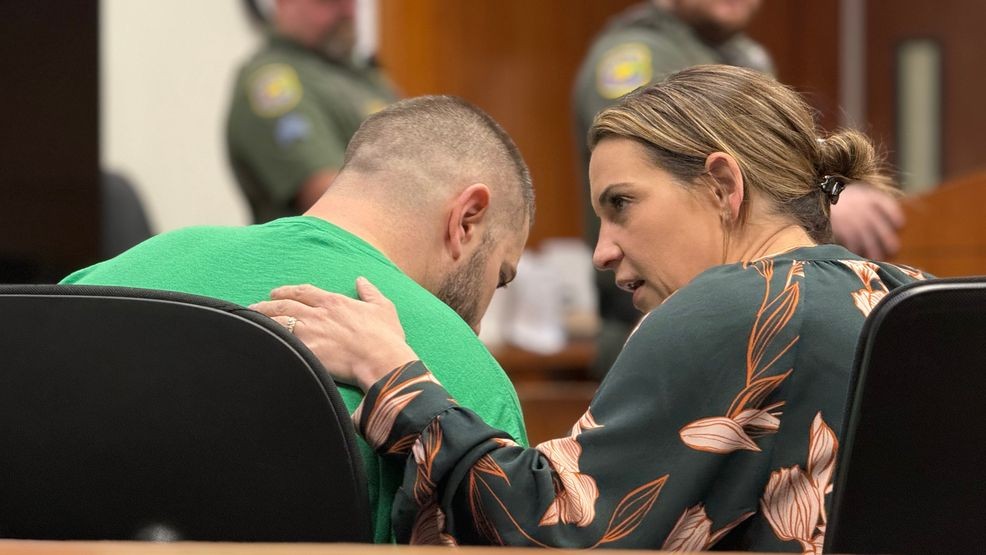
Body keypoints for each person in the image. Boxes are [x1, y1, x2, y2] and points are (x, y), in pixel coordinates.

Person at [253, 66, 930, 550]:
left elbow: (555, 528)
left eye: (621, 204)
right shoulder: (907, 296)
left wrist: (395, 377)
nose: (602, 251)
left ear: (723, 186)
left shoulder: (734, 304)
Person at [63, 96, 535, 543]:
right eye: (501, 277)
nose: (477, 325)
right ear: (467, 218)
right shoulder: (460, 382)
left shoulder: (93, 285)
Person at [573, 0, 904, 375]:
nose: (603, 253)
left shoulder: (747, 56)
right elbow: (642, 157)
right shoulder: (637, 55)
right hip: (652, 321)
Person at [227, 0, 398, 223]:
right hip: (337, 242)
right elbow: (334, 199)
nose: (347, 11)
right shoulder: (275, 83)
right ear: (283, 4)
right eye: (330, 1)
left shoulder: (360, 75)